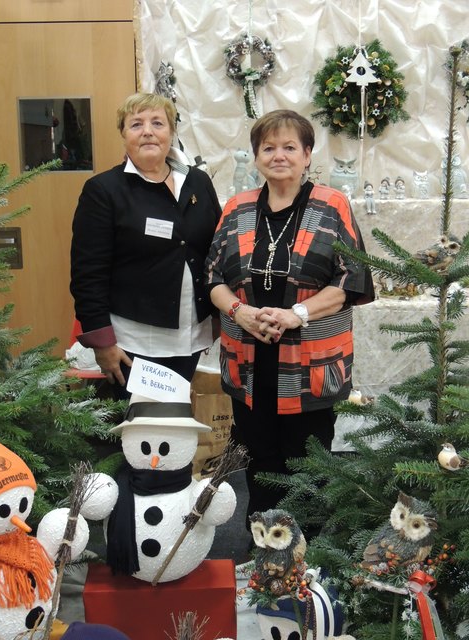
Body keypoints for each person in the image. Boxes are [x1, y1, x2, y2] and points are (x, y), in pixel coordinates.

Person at [205, 109, 374, 531]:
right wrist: (240, 312)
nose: (278, 156)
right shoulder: (237, 208)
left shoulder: (333, 205)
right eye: (268, 148)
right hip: (249, 363)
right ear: (256, 157)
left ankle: (307, 553)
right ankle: (261, 544)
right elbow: (212, 277)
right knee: (259, 461)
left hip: (310, 366)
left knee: (308, 466)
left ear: (307, 155)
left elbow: (350, 280)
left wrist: (296, 313)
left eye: (289, 147)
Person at [70, 93, 221, 398]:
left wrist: (217, 317)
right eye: (136, 124)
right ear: (123, 133)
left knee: (176, 421)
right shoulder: (103, 191)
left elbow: (216, 251)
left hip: (191, 336)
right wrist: (102, 342)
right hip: (131, 342)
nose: (148, 132)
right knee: (136, 423)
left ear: (171, 131)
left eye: (157, 123)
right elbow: (88, 274)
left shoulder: (198, 182)